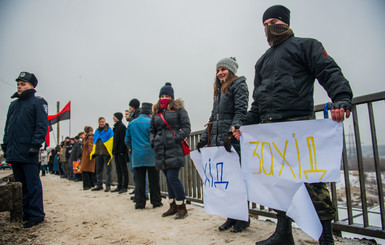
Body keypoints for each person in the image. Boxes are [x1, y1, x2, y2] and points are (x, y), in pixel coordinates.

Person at [232, 5, 353, 245]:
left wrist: (341, 98)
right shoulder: (262, 61)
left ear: (285, 22)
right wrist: (242, 124)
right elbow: (258, 102)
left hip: (299, 127)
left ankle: (326, 236)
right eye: (265, 25)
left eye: (274, 22)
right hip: (271, 130)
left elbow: (328, 71)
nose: (269, 28)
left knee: (312, 183)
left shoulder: (306, 46)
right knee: (278, 183)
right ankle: (283, 233)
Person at [196, 57, 249, 232]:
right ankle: (231, 216)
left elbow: (241, 111)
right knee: (227, 181)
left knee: (237, 181)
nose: (220, 73)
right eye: (218, 70)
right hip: (218, 141)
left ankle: (243, 217)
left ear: (231, 70)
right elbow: (213, 118)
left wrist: (231, 133)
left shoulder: (239, 85)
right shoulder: (219, 92)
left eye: (223, 69)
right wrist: (204, 138)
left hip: (231, 139)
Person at [1, 71, 48, 228]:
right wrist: (5, 144)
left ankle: (36, 214)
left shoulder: (38, 103)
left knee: (31, 184)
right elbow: (8, 128)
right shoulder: (13, 105)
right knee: (20, 184)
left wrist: (35, 145)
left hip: (28, 151)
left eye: (23, 84)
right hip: (14, 151)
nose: (19, 86)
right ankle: (25, 212)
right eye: (18, 84)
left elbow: (42, 126)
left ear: (32, 86)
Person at [150, 82, 191, 219]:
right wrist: (153, 140)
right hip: (160, 150)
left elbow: (186, 127)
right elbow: (152, 130)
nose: (164, 98)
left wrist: (176, 138)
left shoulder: (179, 109)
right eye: (162, 95)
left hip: (174, 148)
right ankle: (173, 205)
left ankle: (182, 206)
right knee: (168, 178)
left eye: (166, 95)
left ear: (172, 97)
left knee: (173, 177)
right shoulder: (156, 111)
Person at [125, 103, 162, 209]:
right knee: (154, 180)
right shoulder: (151, 122)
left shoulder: (132, 124)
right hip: (151, 155)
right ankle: (156, 201)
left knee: (139, 180)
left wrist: (133, 147)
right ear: (150, 113)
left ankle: (140, 203)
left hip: (137, 155)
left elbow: (127, 140)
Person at [90, 117, 114, 192]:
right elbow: (94, 142)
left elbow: (111, 141)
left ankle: (108, 185)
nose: (101, 123)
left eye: (102, 122)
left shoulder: (109, 130)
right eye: (100, 122)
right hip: (98, 153)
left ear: (105, 122)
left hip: (106, 153)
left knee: (108, 170)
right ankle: (99, 185)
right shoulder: (97, 131)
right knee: (99, 170)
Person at [112, 112, 129, 194]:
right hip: (116, 152)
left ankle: (124, 186)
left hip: (121, 152)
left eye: (114, 117)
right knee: (118, 170)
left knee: (123, 170)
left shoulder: (122, 127)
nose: (113, 118)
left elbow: (123, 140)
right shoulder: (116, 127)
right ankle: (119, 186)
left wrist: (122, 151)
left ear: (118, 117)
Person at [80, 126, 96, 190]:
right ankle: (91, 184)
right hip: (87, 155)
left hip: (87, 156)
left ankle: (87, 185)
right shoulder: (88, 137)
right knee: (89, 170)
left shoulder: (89, 137)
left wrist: (90, 154)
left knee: (85, 170)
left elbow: (90, 146)